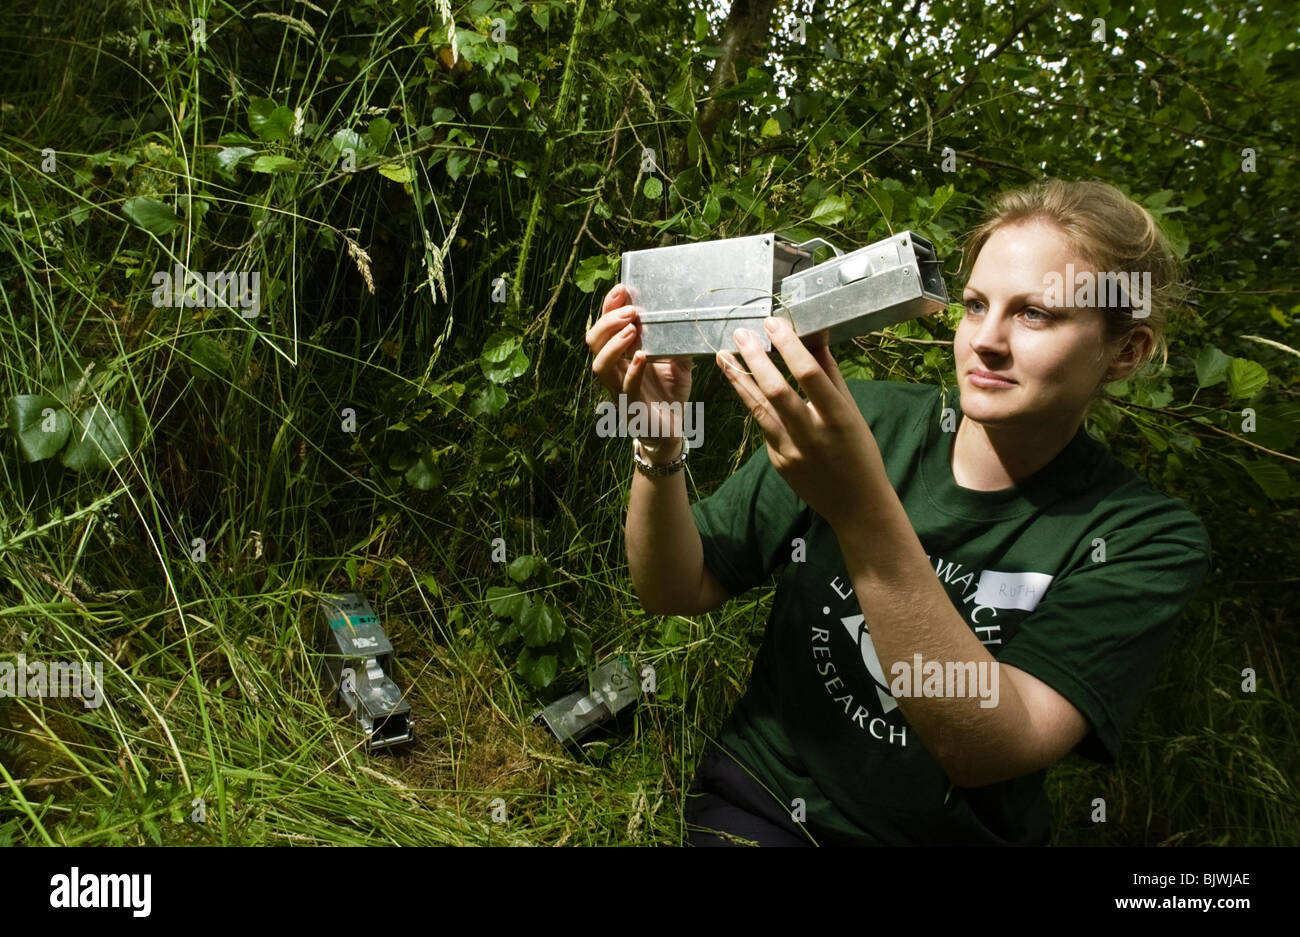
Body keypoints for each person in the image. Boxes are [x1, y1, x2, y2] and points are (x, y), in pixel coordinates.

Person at [585, 179, 1212, 846]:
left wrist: (860, 511)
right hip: (767, 807)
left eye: (1035, 315)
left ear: (1126, 352)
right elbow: (675, 587)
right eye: (975, 305)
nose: (987, 341)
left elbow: (987, 748)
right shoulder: (866, 419)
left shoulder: (1143, 536)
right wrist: (657, 440)